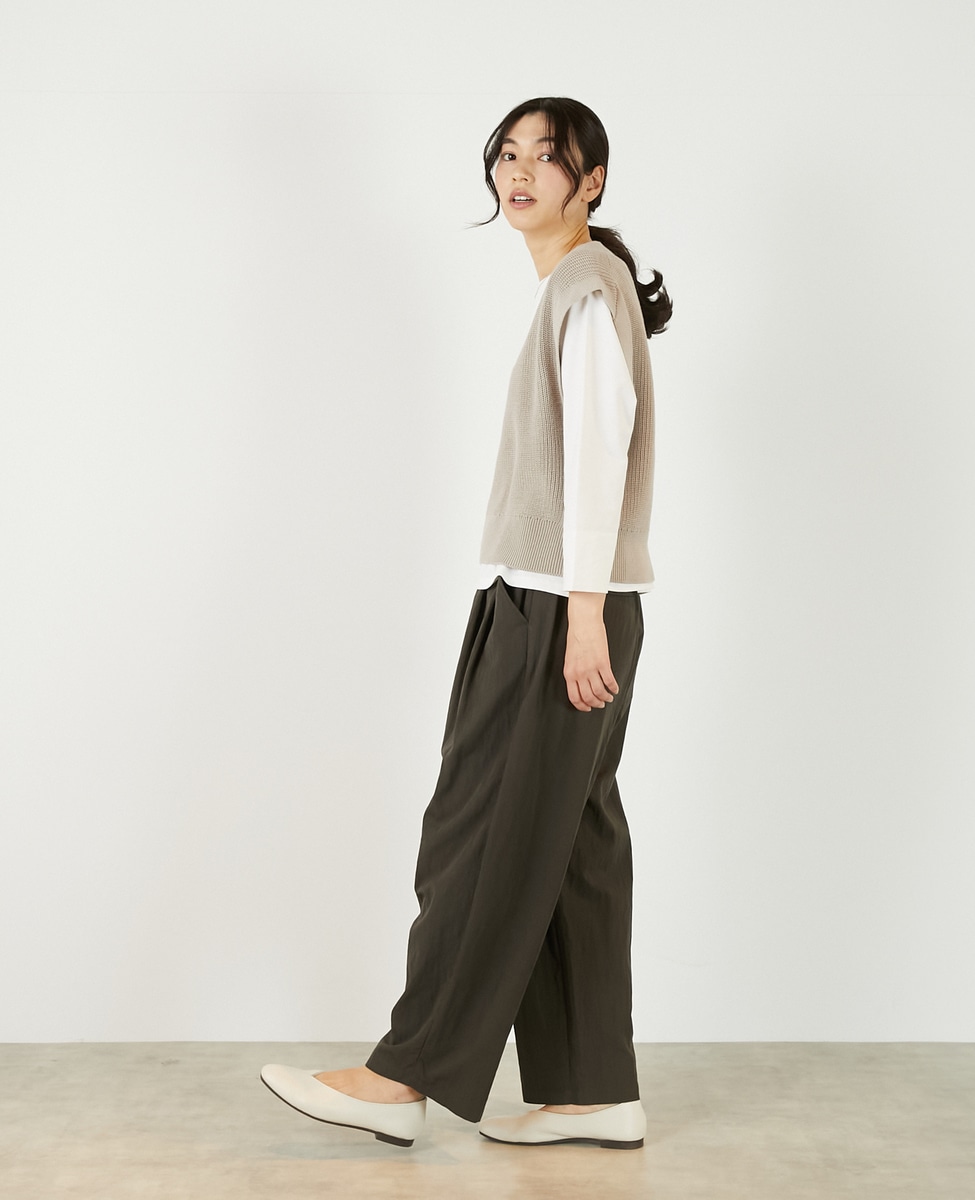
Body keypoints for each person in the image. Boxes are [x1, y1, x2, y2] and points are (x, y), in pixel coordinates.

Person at [261, 96, 672, 1150]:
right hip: (563, 603)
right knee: (571, 849)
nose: (518, 171)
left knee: (478, 837)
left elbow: (597, 458)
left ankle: (403, 1078)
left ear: (591, 183)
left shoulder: (585, 289)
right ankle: (591, 1089)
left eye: (547, 156)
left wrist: (581, 616)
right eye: (507, 153)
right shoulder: (581, 287)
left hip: (558, 609)